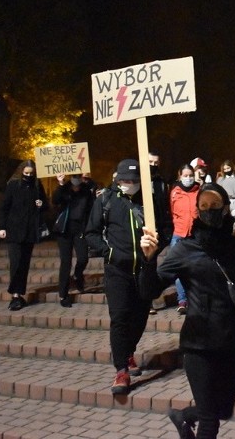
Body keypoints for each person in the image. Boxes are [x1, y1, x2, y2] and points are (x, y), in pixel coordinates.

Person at [146, 183, 235, 439]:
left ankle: (183, 417)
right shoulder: (185, 248)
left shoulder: (233, 246)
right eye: (204, 206)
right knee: (210, 420)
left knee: (222, 410)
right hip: (199, 342)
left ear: (225, 209)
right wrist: (148, 260)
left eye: (215, 206)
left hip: (229, 338)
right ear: (197, 212)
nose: (210, 211)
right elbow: (152, 289)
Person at [83, 158, 160, 395]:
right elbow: (91, 233)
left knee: (139, 317)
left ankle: (128, 351)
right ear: (117, 179)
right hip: (117, 269)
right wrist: (109, 252)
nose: (129, 184)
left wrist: (156, 244)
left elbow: (165, 227)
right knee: (120, 317)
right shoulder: (106, 199)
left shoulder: (149, 200)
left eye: (134, 181)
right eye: (124, 180)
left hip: (145, 267)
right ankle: (121, 370)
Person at [0, 160, 47, 311]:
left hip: (29, 231)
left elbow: (45, 205)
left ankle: (19, 294)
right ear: (21, 172)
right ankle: (15, 295)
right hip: (14, 230)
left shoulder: (37, 186)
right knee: (16, 263)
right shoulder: (13, 185)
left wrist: (41, 204)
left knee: (24, 263)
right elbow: (4, 207)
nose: (28, 176)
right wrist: (2, 227)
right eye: (26, 173)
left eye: (31, 174)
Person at [52, 173, 94, 307]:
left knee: (83, 258)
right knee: (66, 262)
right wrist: (60, 184)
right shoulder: (64, 189)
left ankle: (77, 275)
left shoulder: (87, 190)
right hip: (64, 230)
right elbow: (55, 200)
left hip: (80, 229)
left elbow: (91, 207)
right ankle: (63, 294)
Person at [170, 164, 201, 314]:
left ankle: (195, 298)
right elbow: (170, 211)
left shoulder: (199, 191)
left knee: (196, 268)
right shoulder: (174, 192)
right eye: (185, 175)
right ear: (180, 176)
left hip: (195, 235)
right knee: (179, 268)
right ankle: (182, 300)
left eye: (190, 175)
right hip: (179, 234)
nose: (188, 178)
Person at [148, 151, 174, 314]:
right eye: (150, 162)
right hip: (141, 227)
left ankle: (149, 298)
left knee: (151, 264)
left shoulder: (161, 182)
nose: (153, 165)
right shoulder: (137, 180)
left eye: (156, 162)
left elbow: (164, 205)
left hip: (158, 228)